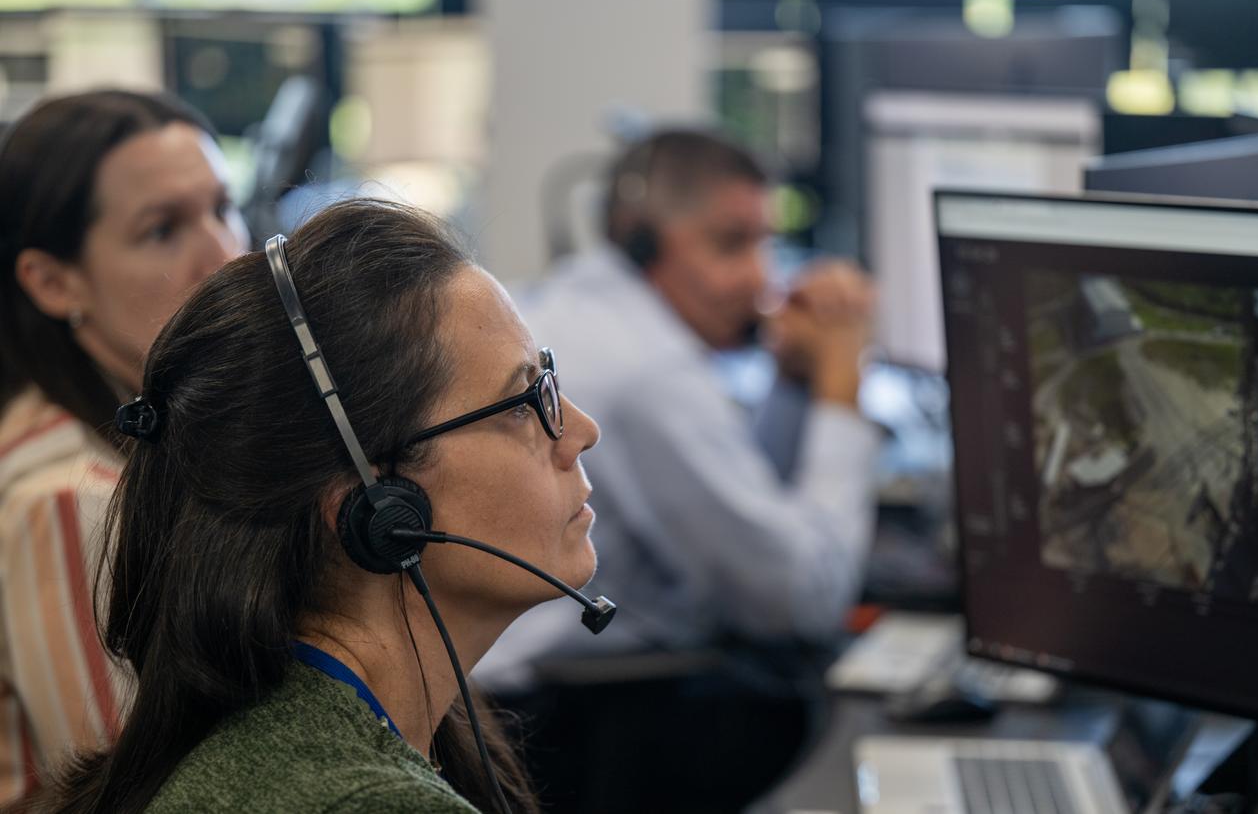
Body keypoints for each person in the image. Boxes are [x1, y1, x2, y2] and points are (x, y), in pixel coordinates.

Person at [34, 198, 602, 813]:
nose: (580, 430)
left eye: (547, 380)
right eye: (521, 402)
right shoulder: (365, 801)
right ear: (380, 511)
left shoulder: (279, 743)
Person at [479, 128, 880, 686]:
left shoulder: (584, 307)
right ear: (642, 244)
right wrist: (841, 384)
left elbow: (746, 497)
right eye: (730, 244)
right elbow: (802, 600)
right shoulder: (650, 371)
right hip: (554, 713)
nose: (760, 278)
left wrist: (793, 382)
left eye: (766, 243)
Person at [0, 89, 248, 802]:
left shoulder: (143, 437)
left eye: (224, 208)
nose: (226, 258)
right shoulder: (67, 495)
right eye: (163, 229)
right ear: (51, 281)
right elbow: (136, 792)